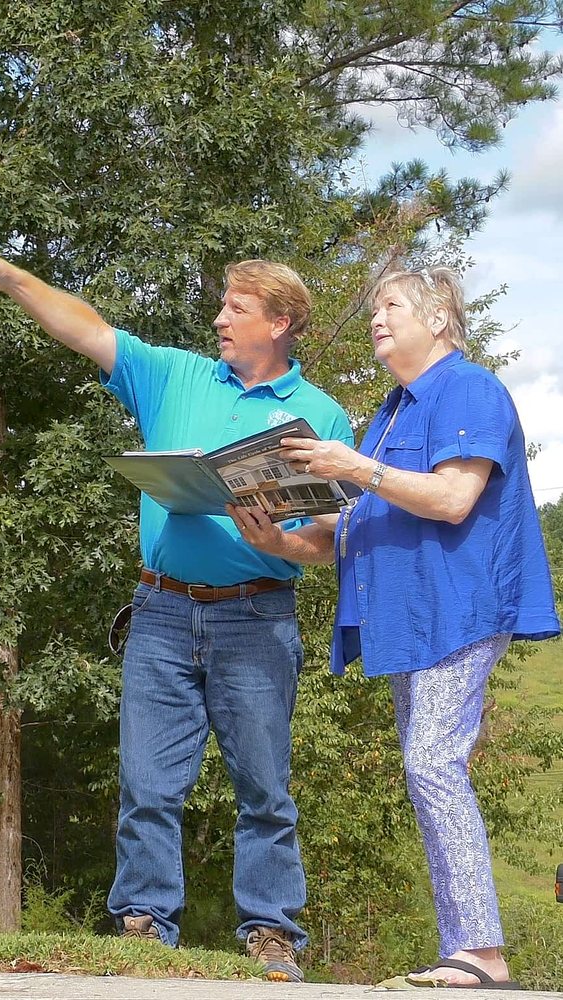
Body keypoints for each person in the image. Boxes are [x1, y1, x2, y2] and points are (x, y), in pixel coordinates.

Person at [0, 239, 354, 982]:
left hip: (257, 619)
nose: (220, 318)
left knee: (263, 787)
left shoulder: (321, 417)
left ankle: (270, 935)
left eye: (238, 308)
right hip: (160, 614)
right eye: (222, 304)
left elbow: (329, 539)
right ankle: (142, 927)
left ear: (283, 322)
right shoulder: (174, 375)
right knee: (147, 784)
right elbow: (85, 327)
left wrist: (284, 546)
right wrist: (10, 280)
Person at [228, 266, 560, 988]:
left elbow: (449, 498)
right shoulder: (392, 412)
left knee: (431, 764)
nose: (376, 317)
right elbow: (352, 528)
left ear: (439, 319)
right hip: (407, 619)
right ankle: (469, 948)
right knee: (427, 770)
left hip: (459, 608)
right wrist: (274, 535)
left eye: (391, 305)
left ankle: (481, 952)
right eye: (374, 306)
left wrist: (351, 465)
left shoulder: (466, 389)